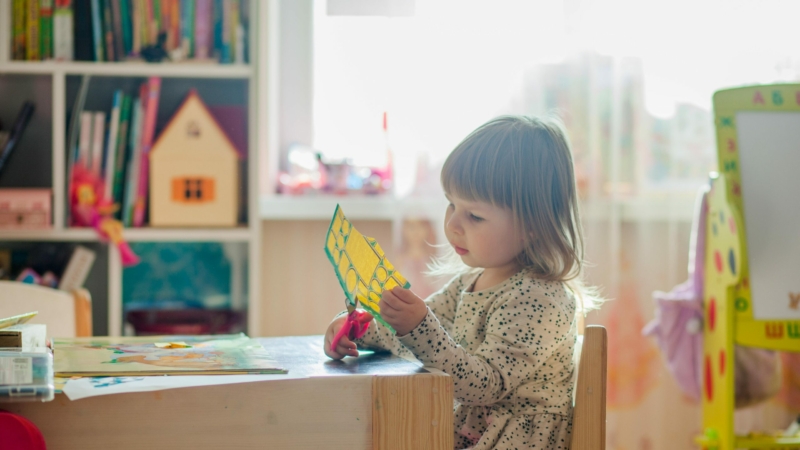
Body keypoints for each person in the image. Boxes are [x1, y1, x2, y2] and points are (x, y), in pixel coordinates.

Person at [324, 115, 602, 449]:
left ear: (534, 225)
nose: (453, 223)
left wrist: (418, 326)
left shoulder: (542, 298)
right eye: (451, 204)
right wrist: (360, 329)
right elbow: (420, 338)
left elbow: (483, 385)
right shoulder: (469, 282)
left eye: (475, 216)